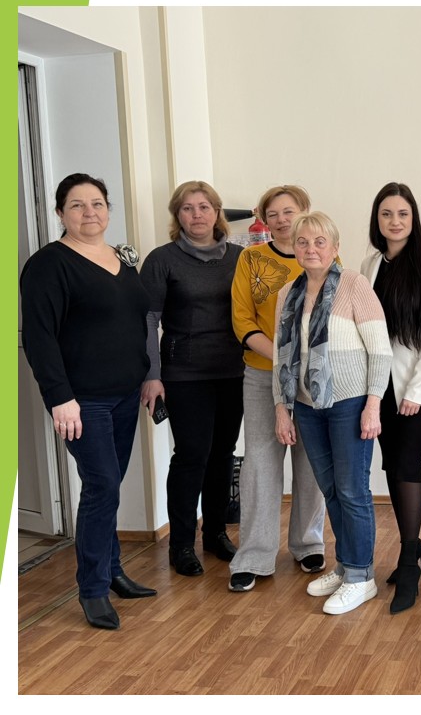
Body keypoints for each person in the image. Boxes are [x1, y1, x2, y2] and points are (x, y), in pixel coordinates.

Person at [20, 173, 157, 630]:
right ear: (60, 213)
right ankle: (93, 589)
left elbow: (136, 321)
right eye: (77, 205)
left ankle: (113, 571)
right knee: (103, 487)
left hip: (125, 394)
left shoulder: (122, 258)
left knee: (109, 485)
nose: (89, 212)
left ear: (108, 210)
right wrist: (60, 398)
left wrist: (148, 375)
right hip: (82, 401)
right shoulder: (48, 265)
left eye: (97, 203)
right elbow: (39, 337)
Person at [274, 211, 392, 615]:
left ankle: (361, 577)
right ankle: (345, 565)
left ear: (335, 248)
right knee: (331, 490)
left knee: (353, 490)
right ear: (294, 247)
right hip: (308, 407)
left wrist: (373, 404)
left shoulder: (355, 285)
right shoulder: (287, 294)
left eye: (320, 241)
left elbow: (380, 350)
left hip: (350, 404)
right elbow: (281, 359)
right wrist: (282, 408)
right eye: (303, 241)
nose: (311, 249)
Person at [140, 181, 244, 577]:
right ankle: (181, 544)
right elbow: (147, 320)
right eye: (187, 208)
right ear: (177, 216)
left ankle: (215, 533)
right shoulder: (162, 260)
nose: (196, 214)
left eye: (204, 206)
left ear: (217, 212)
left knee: (223, 454)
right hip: (184, 376)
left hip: (234, 372)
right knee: (191, 456)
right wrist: (152, 375)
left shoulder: (240, 258)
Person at [227, 185, 327, 592]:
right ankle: (254, 554)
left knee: (312, 462)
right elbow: (242, 319)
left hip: (313, 377)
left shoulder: (325, 256)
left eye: (290, 211)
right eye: (274, 214)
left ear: (305, 211)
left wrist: (300, 362)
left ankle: (308, 544)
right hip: (261, 373)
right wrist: (282, 358)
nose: (282, 220)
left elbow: (332, 318)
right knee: (260, 463)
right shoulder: (250, 259)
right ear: (263, 219)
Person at [361, 183, 421, 614]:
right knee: (393, 467)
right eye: (386, 214)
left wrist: (414, 391)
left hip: (418, 387)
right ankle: (412, 546)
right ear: (377, 220)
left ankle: (410, 561)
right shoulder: (370, 264)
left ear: (413, 219)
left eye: (402, 214)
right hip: (380, 387)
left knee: (408, 465)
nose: (394, 222)